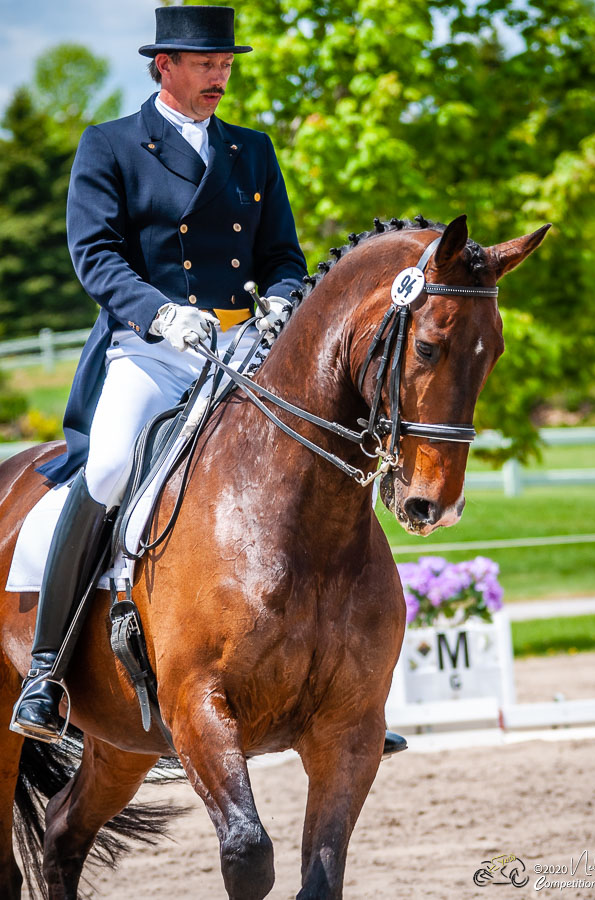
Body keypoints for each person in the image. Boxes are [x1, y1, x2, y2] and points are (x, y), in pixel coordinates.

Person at [12, 4, 406, 758]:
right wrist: (160, 315)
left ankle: (349, 679)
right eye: (204, 63)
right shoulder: (111, 147)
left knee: (319, 461)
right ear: (163, 65)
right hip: (151, 351)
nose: (219, 74)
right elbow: (94, 255)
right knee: (109, 468)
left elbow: (282, 254)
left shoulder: (251, 152)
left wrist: (287, 297)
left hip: (244, 348)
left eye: (225, 62)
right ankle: (48, 669)